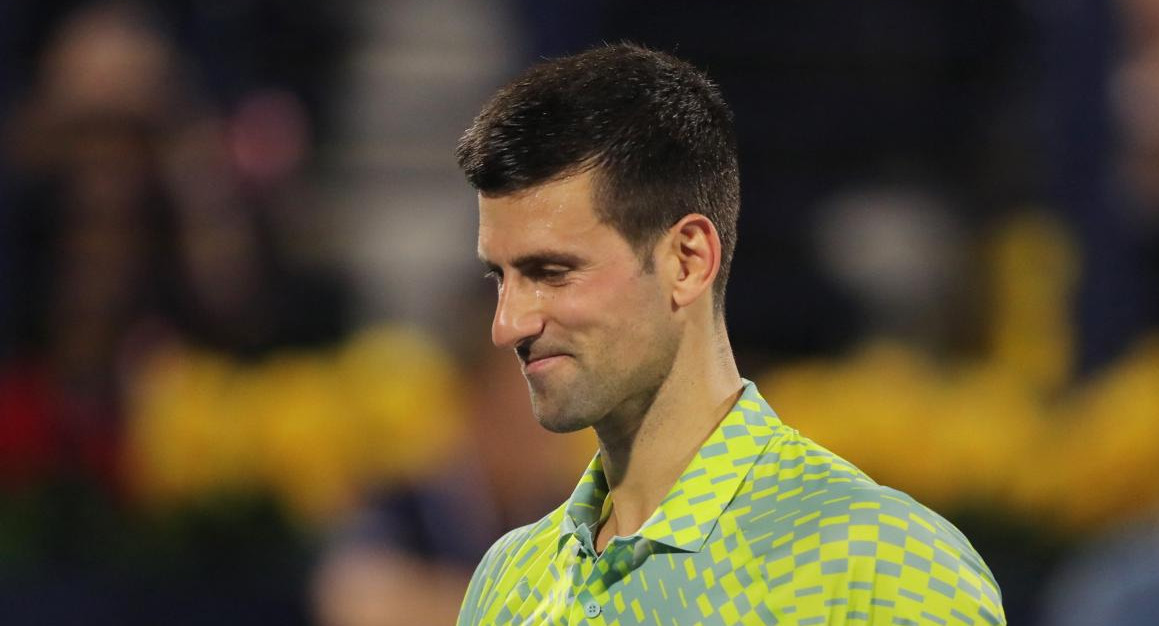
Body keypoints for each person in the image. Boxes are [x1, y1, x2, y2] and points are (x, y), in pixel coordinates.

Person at [454, 43, 1005, 625]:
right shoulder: (506, 581)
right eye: (501, 277)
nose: (508, 323)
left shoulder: (884, 564)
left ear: (687, 261)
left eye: (551, 272)